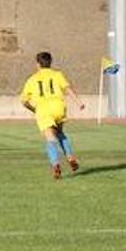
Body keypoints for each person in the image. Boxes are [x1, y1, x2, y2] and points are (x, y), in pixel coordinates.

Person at [20, 51, 86, 180]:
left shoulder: (32, 79)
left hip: (43, 109)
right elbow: (67, 89)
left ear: (38, 64)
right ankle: (70, 157)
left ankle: (55, 164)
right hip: (58, 108)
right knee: (60, 133)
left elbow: (24, 101)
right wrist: (79, 103)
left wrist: (34, 110)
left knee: (50, 138)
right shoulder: (57, 75)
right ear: (50, 62)